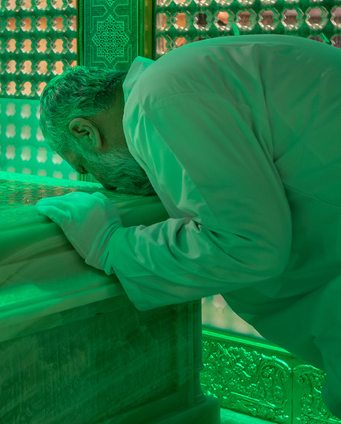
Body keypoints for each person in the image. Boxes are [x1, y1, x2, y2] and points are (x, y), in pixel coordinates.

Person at [35, 35, 341, 417]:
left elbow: (246, 245)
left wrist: (110, 246)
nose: (104, 184)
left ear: (85, 131)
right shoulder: (179, 78)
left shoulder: (157, 100)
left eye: (84, 166)